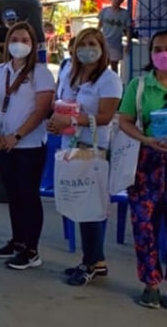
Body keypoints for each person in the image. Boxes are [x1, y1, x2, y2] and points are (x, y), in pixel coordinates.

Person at [117, 30, 167, 311]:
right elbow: (125, 121)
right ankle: (150, 285)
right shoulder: (139, 87)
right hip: (146, 163)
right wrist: (145, 140)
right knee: (144, 227)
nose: (163, 54)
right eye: (157, 49)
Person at [46, 28, 122, 286]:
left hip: (94, 149)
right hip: (70, 145)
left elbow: (105, 116)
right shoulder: (68, 72)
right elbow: (60, 103)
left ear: (101, 49)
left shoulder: (109, 80)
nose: (87, 49)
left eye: (92, 44)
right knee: (77, 204)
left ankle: (90, 262)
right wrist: (57, 121)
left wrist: (74, 119)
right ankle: (94, 260)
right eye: (82, 44)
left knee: (92, 208)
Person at [0, 22, 55, 270]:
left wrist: (18, 135)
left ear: (33, 44)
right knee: (13, 195)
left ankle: (31, 249)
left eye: (25, 39)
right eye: (15, 38)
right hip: (3, 143)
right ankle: (17, 241)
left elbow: (41, 109)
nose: (19, 43)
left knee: (28, 195)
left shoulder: (40, 72)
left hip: (30, 145)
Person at [97, 0, 132, 73]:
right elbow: (99, 25)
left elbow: (128, 29)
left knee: (114, 65)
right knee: (102, 64)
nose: (116, 0)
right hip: (104, 41)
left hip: (116, 43)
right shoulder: (104, 11)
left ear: (122, 0)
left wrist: (128, 43)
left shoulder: (125, 14)